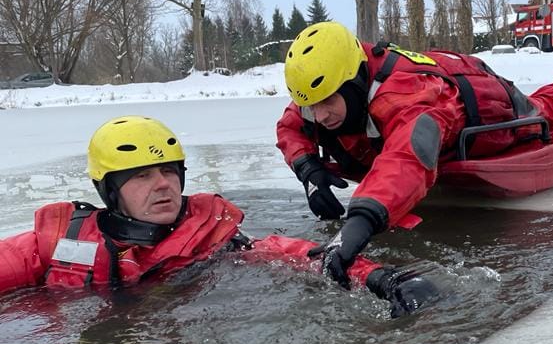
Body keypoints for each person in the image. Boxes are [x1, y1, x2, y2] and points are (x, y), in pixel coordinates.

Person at [0, 115, 435, 316]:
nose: (163, 185)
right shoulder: (55, 242)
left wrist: (377, 275)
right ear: (109, 191)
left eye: (170, 172)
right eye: (142, 177)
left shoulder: (210, 238)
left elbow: (292, 253)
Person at [276, 21, 553, 285]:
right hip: (437, 76)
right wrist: (309, 171)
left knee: (543, 112)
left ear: (353, 81)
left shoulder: (404, 98)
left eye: (327, 102)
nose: (318, 116)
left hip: (486, 102)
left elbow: (406, 159)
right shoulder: (324, 91)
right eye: (311, 105)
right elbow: (290, 127)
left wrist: (360, 222)